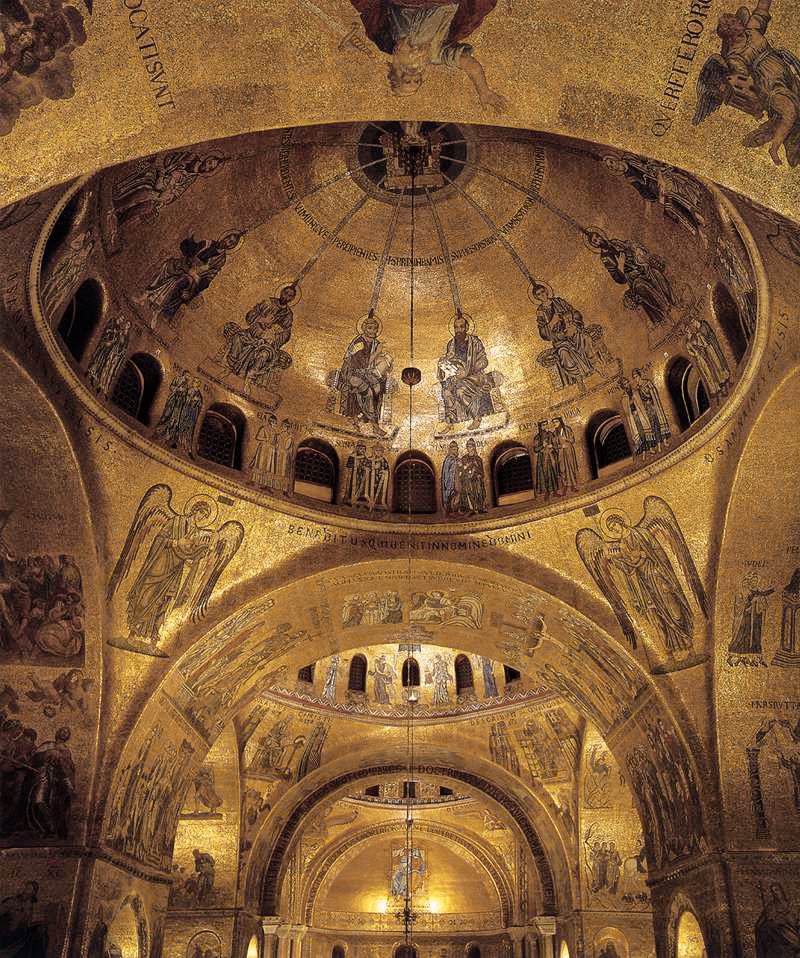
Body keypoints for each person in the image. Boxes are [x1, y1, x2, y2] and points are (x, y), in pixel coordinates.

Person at [694, 0, 800, 167]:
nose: (740, 22)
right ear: (730, 32)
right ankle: (774, 147)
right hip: (771, 87)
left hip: (789, 77)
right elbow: (744, 81)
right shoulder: (734, 57)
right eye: (735, 23)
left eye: (737, 21)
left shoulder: (752, 31)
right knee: (790, 111)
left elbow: (762, 9)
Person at [349, 0, 506, 110]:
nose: (412, 75)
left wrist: (399, 51)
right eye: (416, 80)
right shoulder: (436, 55)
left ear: (394, 75)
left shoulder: (387, 46)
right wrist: (484, 91)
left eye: (406, 79)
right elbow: (470, 66)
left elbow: (377, 18)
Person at [140, 231, 245, 325]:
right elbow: (190, 251)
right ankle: (146, 294)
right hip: (185, 266)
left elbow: (209, 277)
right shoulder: (207, 243)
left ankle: (157, 311)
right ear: (225, 236)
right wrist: (189, 241)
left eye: (232, 243)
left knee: (179, 282)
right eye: (228, 239)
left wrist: (194, 289)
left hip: (194, 278)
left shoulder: (221, 260)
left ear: (232, 247)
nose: (228, 243)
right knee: (167, 265)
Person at [220, 285, 297, 389]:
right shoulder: (267, 302)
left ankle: (249, 378)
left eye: (290, 296)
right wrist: (262, 319)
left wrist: (273, 333)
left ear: (292, 299)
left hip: (267, 344)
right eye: (285, 293)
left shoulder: (288, 315)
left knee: (264, 355)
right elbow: (250, 316)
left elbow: (285, 334)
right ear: (281, 292)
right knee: (238, 338)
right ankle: (230, 366)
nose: (286, 296)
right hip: (251, 335)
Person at [438, 312, 497, 430]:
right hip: (457, 376)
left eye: (461, 327)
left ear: (466, 328)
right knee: (446, 392)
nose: (458, 330)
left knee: (460, 391)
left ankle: (476, 417)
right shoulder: (451, 344)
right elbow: (449, 363)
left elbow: (484, 361)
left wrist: (467, 371)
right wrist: (445, 361)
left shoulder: (474, 342)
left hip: (474, 376)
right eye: (456, 327)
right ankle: (450, 423)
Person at [335, 314, 393, 435]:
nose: (373, 331)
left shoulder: (375, 343)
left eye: (375, 328)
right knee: (370, 393)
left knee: (378, 388)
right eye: (370, 328)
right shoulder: (359, 343)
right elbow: (364, 363)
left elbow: (373, 364)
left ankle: (362, 418)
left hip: (364, 373)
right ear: (364, 328)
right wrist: (378, 352)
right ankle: (374, 425)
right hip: (351, 373)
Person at [86, 316, 131, 396]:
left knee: (105, 365)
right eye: (122, 320)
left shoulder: (125, 336)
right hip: (106, 347)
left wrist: (119, 350)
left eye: (127, 324)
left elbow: (123, 346)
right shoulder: (115, 325)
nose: (123, 322)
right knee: (99, 360)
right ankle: (90, 373)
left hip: (114, 352)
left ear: (129, 327)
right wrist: (110, 339)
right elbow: (108, 332)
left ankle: (101, 385)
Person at [456, 438, 486, 514]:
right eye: (468, 446)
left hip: (476, 480)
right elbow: (461, 469)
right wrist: (464, 470)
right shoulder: (464, 458)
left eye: (470, 446)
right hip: (467, 480)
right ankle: (471, 509)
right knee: (469, 493)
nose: (469, 448)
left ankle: (479, 508)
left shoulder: (478, 459)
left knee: (478, 493)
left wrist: (478, 474)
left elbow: (481, 470)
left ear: (474, 447)